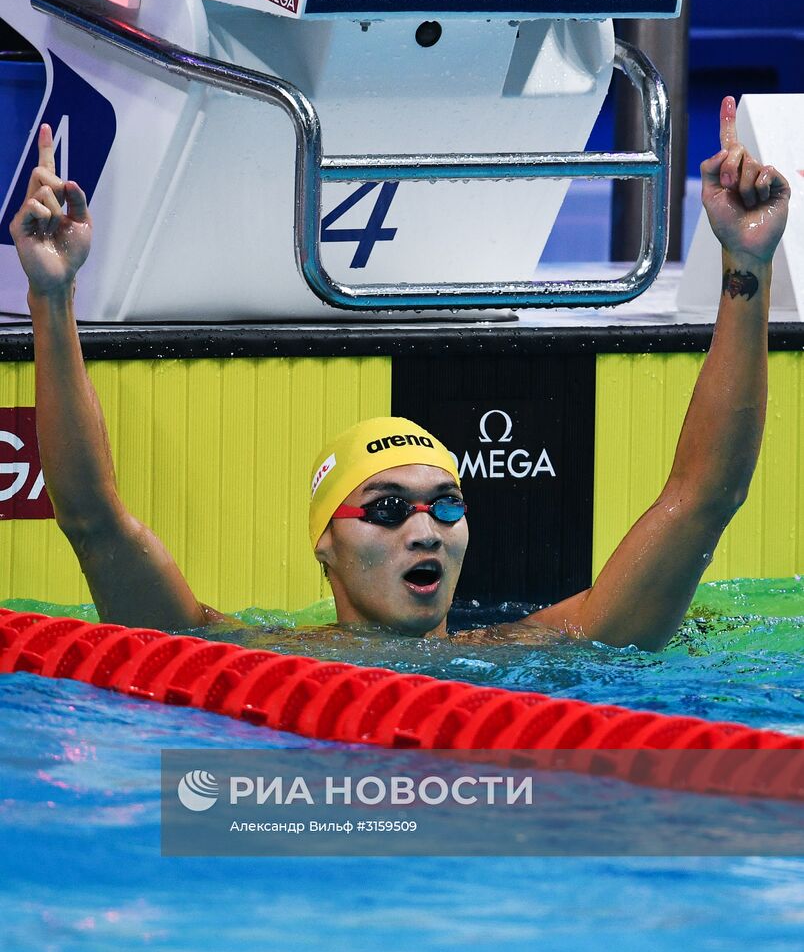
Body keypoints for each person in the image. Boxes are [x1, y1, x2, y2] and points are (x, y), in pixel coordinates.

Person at [10, 97, 790, 650]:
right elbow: (93, 520)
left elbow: (701, 502)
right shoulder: (253, 657)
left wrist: (744, 268)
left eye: (446, 507)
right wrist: (53, 296)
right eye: (387, 509)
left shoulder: (539, 656)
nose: (425, 529)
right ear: (325, 545)